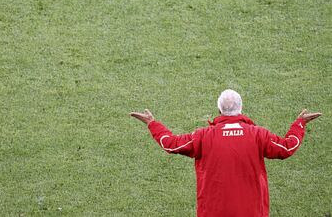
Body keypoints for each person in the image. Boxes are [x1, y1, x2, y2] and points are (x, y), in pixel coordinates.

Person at [130, 89, 322, 217]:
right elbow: (287, 147)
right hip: (252, 211)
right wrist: (299, 124)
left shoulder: (203, 136)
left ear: (219, 109)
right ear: (241, 108)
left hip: (213, 211)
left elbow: (170, 144)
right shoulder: (258, 135)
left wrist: (152, 123)